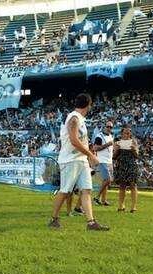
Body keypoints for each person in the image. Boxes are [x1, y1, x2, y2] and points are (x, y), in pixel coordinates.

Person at [48, 93, 109, 231]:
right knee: (65, 191)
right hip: (70, 160)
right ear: (88, 105)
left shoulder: (79, 119)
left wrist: (89, 153)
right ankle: (54, 218)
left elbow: (80, 141)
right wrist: (90, 155)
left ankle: (91, 222)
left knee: (87, 189)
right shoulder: (74, 119)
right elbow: (74, 140)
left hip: (80, 160)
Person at [113, 126, 140, 212]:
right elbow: (114, 157)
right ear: (122, 134)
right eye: (125, 133)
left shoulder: (134, 142)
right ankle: (121, 205)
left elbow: (137, 156)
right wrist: (116, 150)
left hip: (131, 165)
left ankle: (133, 206)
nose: (127, 135)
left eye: (129, 133)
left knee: (133, 185)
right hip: (121, 165)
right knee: (122, 185)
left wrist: (134, 150)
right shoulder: (118, 143)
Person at [92, 120, 114, 205]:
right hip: (102, 160)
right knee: (108, 179)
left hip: (109, 161)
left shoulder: (111, 136)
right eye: (108, 126)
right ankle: (97, 197)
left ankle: (104, 200)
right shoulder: (99, 136)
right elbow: (95, 148)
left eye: (111, 127)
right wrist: (107, 144)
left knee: (107, 181)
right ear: (104, 127)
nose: (109, 128)